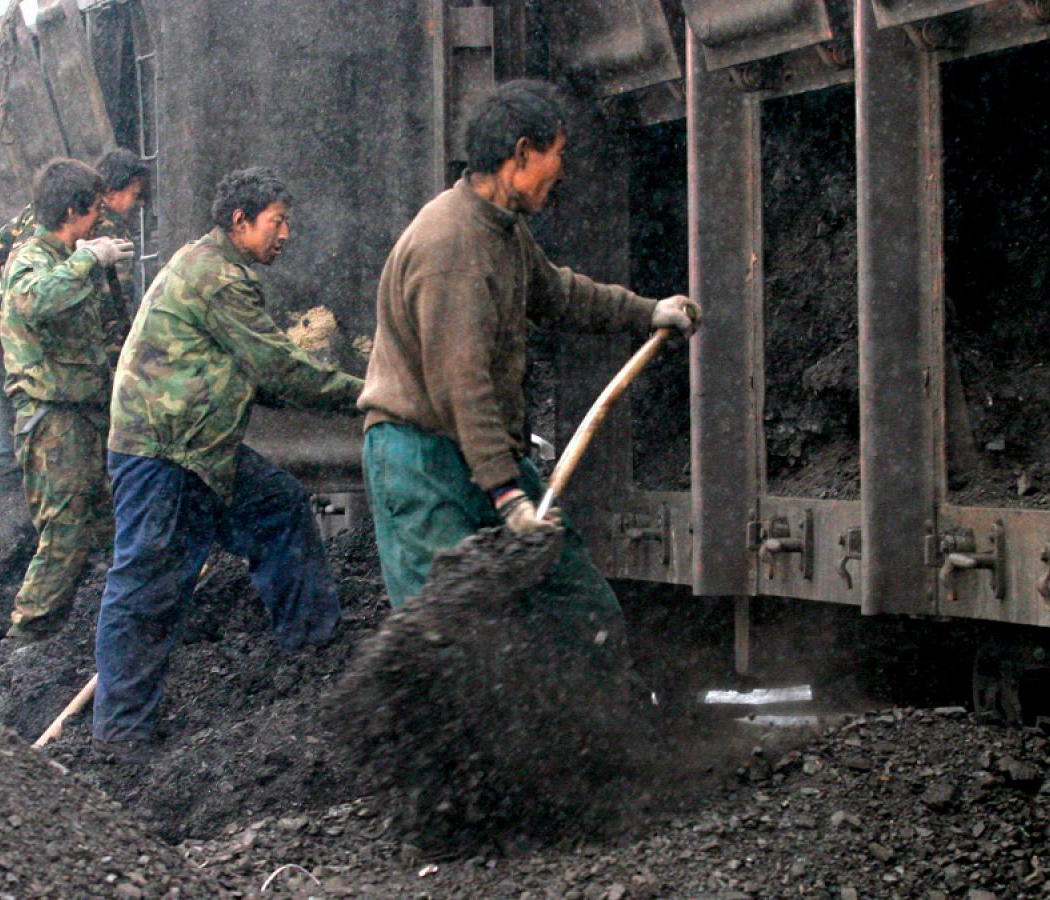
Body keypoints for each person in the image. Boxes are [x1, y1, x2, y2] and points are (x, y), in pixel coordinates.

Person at [358, 79, 701, 648]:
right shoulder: (451, 248)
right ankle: (451, 737)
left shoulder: (501, 231)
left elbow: (559, 295)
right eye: (557, 155)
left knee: (582, 610)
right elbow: (462, 387)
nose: (561, 171)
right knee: (449, 639)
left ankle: (581, 732)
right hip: (422, 462)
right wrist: (508, 497)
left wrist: (649, 313)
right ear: (521, 154)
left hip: (481, 452)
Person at [93, 167, 362, 747]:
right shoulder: (219, 279)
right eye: (277, 222)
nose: (285, 234)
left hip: (201, 447)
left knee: (282, 508)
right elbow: (276, 367)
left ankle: (312, 654)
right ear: (240, 222)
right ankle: (119, 739)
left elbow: (251, 373)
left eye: (287, 221)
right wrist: (367, 393)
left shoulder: (218, 267)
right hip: (162, 452)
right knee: (147, 586)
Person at [0, 147, 149, 530]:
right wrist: (116, 365)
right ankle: (72, 534)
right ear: (106, 193)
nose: (133, 206)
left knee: (3, 446)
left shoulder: (36, 214)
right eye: (134, 195)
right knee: (72, 443)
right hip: (42, 352)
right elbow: (107, 310)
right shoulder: (100, 231)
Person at [0, 158, 134, 640]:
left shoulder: (65, 262)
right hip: (53, 423)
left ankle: (124, 624)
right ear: (73, 210)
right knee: (66, 532)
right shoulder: (33, 260)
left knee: (111, 525)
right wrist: (87, 260)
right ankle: (29, 634)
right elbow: (35, 302)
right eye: (94, 210)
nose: (99, 220)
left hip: (85, 417)